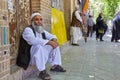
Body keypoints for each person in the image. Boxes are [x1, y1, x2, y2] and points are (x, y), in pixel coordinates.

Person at [16, 12, 66, 80]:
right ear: (32, 21)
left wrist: (54, 40)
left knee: (54, 45)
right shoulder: (28, 30)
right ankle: (42, 71)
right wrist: (49, 42)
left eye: (41, 19)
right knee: (38, 46)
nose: (39, 21)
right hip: (30, 57)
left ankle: (55, 66)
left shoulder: (41, 30)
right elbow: (33, 40)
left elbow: (51, 36)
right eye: (37, 19)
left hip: (40, 55)